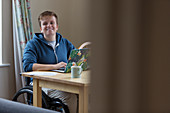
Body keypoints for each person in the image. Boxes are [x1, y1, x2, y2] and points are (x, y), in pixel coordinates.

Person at [23, 11, 77, 113]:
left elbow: (76, 58)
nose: (49, 26)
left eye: (52, 23)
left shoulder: (65, 43)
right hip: (42, 85)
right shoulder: (32, 44)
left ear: (57, 26)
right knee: (70, 97)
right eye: (45, 24)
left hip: (64, 82)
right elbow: (28, 66)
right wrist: (55, 66)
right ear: (41, 28)